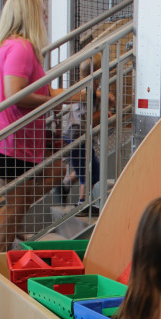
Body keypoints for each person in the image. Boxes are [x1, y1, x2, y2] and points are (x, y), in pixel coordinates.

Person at [0, 0, 65, 251]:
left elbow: (28, 90)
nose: (46, 14)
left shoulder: (8, 46)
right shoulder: (21, 48)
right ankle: (0, 262)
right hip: (14, 140)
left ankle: (2, 256)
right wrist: (51, 101)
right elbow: (16, 94)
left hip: (12, 139)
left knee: (53, 171)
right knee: (13, 206)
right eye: (42, 10)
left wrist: (63, 96)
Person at [60, 53, 103, 205]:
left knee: (88, 168)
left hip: (77, 136)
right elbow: (89, 119)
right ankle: (82, 202)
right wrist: (104, 110)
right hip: (76, 137)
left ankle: (67, 186)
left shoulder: (84, 89)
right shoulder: (87, 91)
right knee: (87, 169)